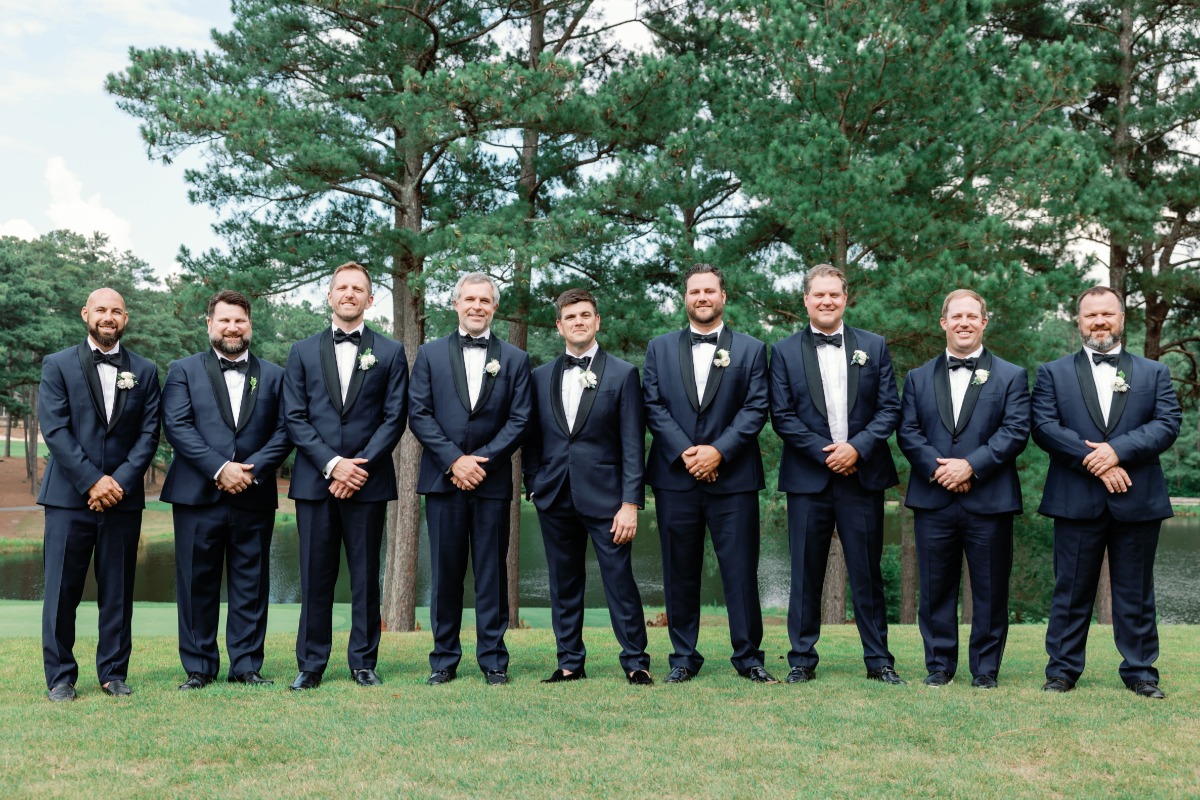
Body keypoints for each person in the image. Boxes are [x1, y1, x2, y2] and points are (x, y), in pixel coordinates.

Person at [1033, 286, 1181, 698]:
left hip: (1137, 496)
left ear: (1121, 318)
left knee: (1135, 591)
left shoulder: (1154, 373)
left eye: (1107, 314)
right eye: (1091, 315)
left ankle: (1140, 671)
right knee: (1070, 590)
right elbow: (1044, 427)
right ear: (1078, 321)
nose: (1099, 322)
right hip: (1075, 497)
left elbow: (1167, 424)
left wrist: (1117, 451)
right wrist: (1094, 461)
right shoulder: (1053, 373)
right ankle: (1062, 671)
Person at [769, 264, 904, 686]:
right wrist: (825, 453)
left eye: (834, 295)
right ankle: (801, 660)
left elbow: (889, 409)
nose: (827, 301)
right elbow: (782, 416)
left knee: (867, 573)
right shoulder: (784, 351)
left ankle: (879, 660)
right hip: (808, 479)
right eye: (819, 295)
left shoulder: (874, 346)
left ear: (846, 299)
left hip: (862, 477)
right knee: (805, 576)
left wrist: (857, 449)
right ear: (806, 300)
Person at [643, 264, 774, 684]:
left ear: (723, 297)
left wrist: (718, 452)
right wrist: (687, 453)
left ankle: (749, 657)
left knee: (740, 570)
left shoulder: (752, 349)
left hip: (733, 478)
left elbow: (756, 408)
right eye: (695, 291)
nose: (702, 297)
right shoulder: (659, 348)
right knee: (679, 570)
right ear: (685, 298)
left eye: (710, 291)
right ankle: (683, 656)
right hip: (675, 479)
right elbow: (653, 406)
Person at [283, 262, 408, 690]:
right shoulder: (301, 351)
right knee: (314, 575)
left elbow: (394, 419)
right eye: (342, 288)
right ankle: (311, 665)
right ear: (330, 296)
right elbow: (295, 418)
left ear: (370, 300)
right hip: (316, 483)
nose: (350, 294)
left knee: (365, 576)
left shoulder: (390, 352)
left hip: (368, 483)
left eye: (358, 289)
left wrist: (360, 466)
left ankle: (363, 662)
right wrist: (333, 465)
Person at [897, 289, 1030, 689]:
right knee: (936, 588)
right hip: (934, 498)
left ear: (984, 322)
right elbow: (908, 432)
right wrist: (942, 471)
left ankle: (985, 670)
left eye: (973, 316)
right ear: (944, 323)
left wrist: (971, 465)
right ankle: (939, 665)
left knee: (989, 590)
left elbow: (1015, 431)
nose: (964, 323)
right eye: (956, 317)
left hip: (989, 498)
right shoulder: (918, 378)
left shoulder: (1011, 375)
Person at [160, 290, 292, 690]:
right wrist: (220, 469)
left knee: (251, 584)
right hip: (196, 495)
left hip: (253, 494)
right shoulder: (183, 370)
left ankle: (247, 665)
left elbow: (286, 429)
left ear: (250, 325)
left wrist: (251, 472)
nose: (232, 327)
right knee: (196, 582)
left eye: (239, 320)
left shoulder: (274, 375)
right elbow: (177, 426)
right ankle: (199, 668)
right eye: (224, 320)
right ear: (209, 325)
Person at [523, 289, 652, 685]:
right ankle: (569, 663)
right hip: (554, 495)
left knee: (619, 581)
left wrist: (631, 501)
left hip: (608, 499)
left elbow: (633, 443)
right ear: (559, 326)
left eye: (585, 315)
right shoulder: (540, 376)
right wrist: (533, 485)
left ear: (597, 322)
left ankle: (635, 661)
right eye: (570, 317)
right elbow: (532, 439)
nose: (578, 321)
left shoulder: (623, 374)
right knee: (563, 584)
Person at [409, 272, 532, 686]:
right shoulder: (429, 354)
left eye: (485, 300)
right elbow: (419, 414)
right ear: (456, 304)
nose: (477, 306)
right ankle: (443, 659)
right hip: (443, 481)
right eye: (470, 299)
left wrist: (481, 461)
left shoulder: (514, 359)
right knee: (445, 574)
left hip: (492, 482)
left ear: (494, 307)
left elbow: (520, 419)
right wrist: (453, 461)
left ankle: (494, 659)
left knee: (491, 573)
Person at [39, 287, 161, 701]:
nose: (108, 317)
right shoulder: (57, 365)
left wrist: (119, 482)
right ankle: (60, 678)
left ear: (125, 318)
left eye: (116, 311)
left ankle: (113, 673)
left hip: (123, 500)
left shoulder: (145, 370)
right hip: (67, 498)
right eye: (100, 310)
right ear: (85, 313)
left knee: (118, 591)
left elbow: (149, 435)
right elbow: (55, 430)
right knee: (61, 591)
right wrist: (93, 481)